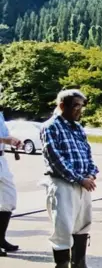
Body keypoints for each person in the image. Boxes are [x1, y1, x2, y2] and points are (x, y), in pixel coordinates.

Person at [41, 89, 98, 268]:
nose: (79, 110)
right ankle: (62, 264)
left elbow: (88, 154)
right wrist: (79, 178)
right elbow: (55, 158)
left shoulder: (78, 127)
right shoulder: (50, 127)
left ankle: (79, 263)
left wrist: (91, 173)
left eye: (81, 106)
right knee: (63, 228)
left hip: (84, 184)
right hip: (63, 184)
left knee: (83, 225)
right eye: (75, 106)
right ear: (62, 106)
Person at [0, 84, 22, 257]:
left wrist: (12, 141)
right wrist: (5, 140)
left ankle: (1, 238)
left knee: (8, 199)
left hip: (1, 159)